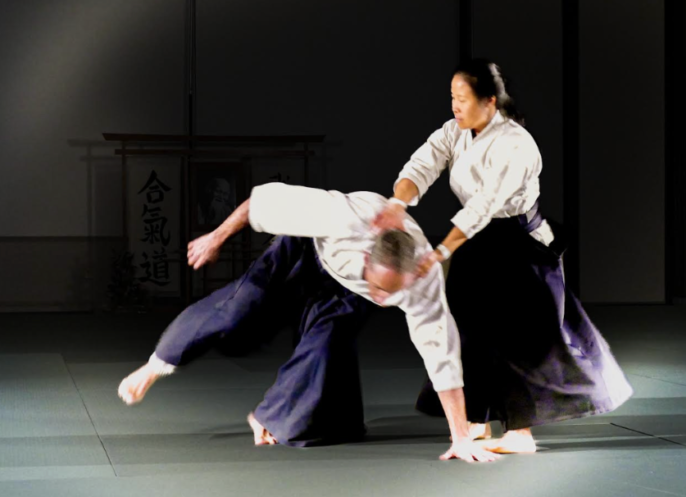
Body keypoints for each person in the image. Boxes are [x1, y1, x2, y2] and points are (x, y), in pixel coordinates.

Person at [118, 181, 497, 463]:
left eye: (392, 293)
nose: (385, 299)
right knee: (240, 306)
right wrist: (216, 238)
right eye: (381, 288)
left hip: (351, 290)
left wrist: (460, 437)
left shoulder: (423, 280)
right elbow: (260, 201)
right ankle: (155, 366)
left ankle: (273, 417)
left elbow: (442, 355)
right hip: (307, 250)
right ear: (368, 258)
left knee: (326, 347)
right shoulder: (341, 217)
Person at [371, 58, 633, 454]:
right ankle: (477, 421)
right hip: (476, 243)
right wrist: (397, 203)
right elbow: (422, 165)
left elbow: (484, 206)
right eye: (452, 98)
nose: (455, 106)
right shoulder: (454, 132)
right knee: (466, 330)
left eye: (462, 99)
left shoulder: (515, 144)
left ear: (490, 101)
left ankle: (521, 433)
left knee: (518, 336)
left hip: (516, 245)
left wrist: (442, 251)